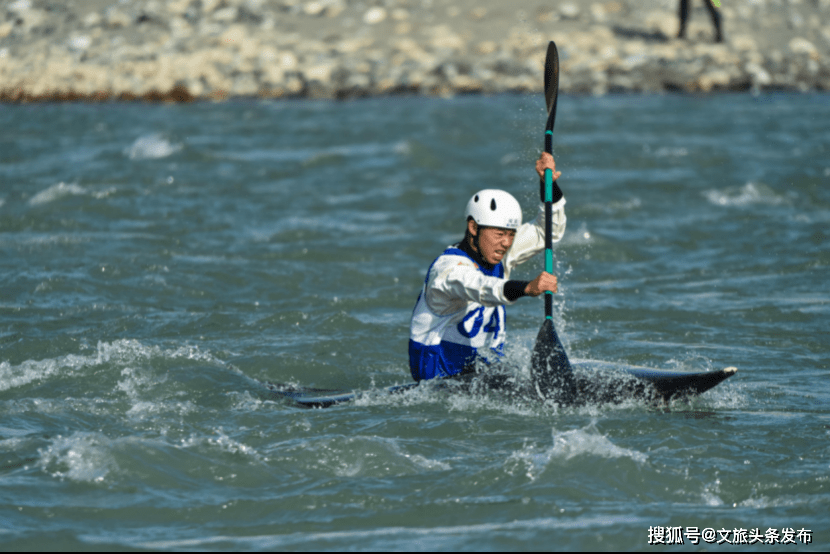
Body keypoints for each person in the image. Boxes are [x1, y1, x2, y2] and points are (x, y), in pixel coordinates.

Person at [408, 152, 566, 382]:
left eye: (511, 234)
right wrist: (526, 288)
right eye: (499, 234)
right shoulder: (447, 270)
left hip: (486, 377)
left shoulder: (500, 251)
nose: (506, 242)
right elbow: (482, 287)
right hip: (439, 385)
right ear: (473, 227)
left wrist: (548, 185)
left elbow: (547, 231)